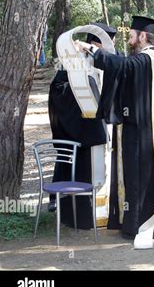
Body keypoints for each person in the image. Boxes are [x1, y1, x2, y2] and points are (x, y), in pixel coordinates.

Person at [75, 16, 154, 249]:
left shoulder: (147, 58)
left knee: (139, 178)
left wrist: (91, 49)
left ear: (142, 36)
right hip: (142, 128)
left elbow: (122, 66)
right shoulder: (149, 60)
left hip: (141, 133)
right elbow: (123, 73)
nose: (129, 40)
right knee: (140, 178)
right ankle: (145, 223)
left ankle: (140, 224)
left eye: (131, 36)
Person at [48, 22, 115, 228]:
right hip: (81, 132)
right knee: (78, 170)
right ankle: (80, 217)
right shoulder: (71, 64)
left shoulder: (107, 63)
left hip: (103, 129)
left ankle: (105, 213)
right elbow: (58, 92)